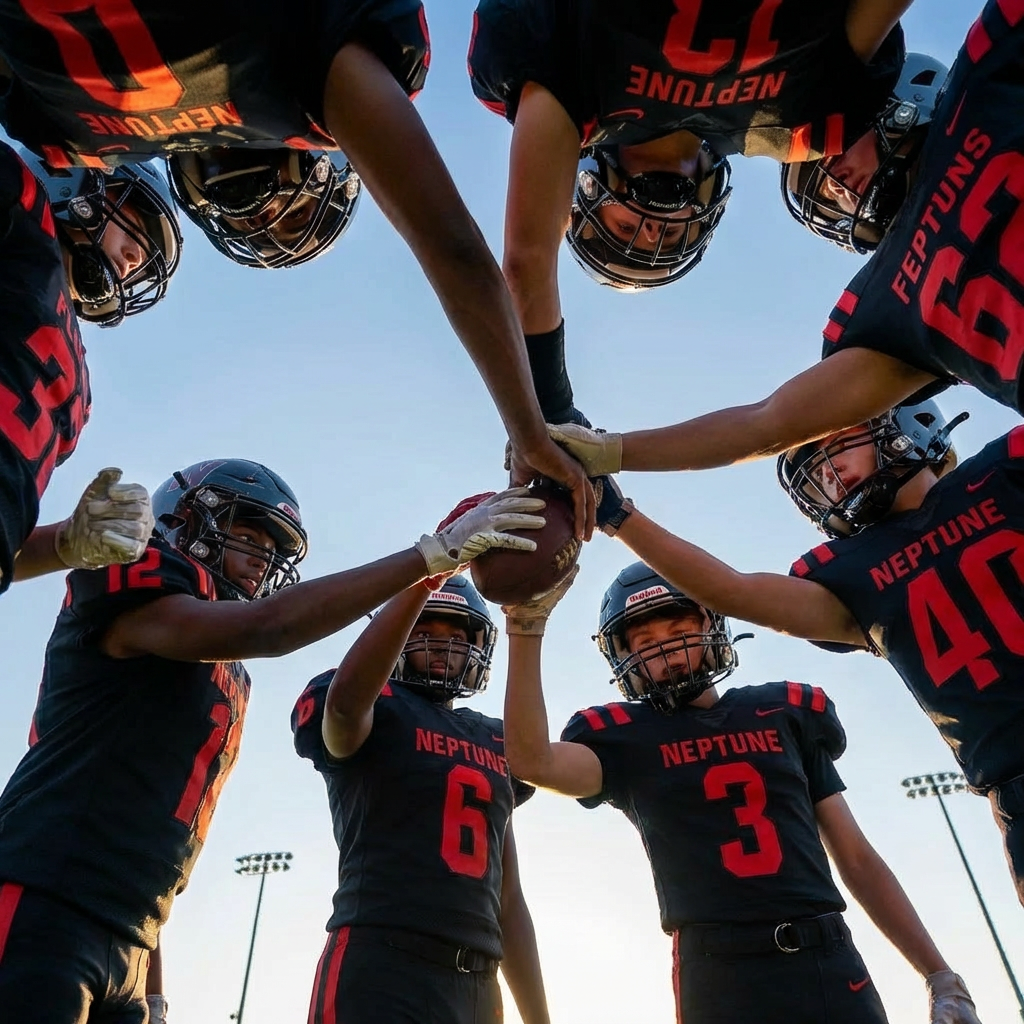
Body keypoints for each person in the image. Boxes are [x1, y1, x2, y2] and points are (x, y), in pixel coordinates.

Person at [0, 465, 546, 1022]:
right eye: (250, 534)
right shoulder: (143, 585)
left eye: (273, 546)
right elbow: (270, 628)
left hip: (129, 933)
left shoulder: (230, 668)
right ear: (183, 519)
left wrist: (152, 984)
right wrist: (428, 560)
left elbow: (146, 840)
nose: (263, 556)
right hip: (42, 895)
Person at [544, 0, 1023, 478]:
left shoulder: (986, 78)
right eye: (825, 191)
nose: (835, 183)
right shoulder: (887, 307)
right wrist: (614, 452)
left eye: (827, 159)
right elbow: (766, 423)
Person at [583, 400, 1024, 908]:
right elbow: (734, 591)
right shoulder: (850, 575)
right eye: (815, 467)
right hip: (1014, 782)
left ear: (904, 419)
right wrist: (619, 516)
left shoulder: (1003, 472)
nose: (830, 473)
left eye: (838, 445)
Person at [500, 560, 981, 1023]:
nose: (664, 652)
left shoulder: (784, 712)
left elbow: (855, 857)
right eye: (645, 641)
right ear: (622, 656)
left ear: (712, 628)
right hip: (719, 969)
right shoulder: (621, 738)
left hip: (826, 954)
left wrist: (940, 975)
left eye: (679, 632)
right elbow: (531, 761)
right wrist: (527, 626)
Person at [468, 0, 909, 425]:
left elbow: (528, 260)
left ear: (582, 188)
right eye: (671, 238)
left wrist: (552, 414)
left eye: (624, 228)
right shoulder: (806, 125)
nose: (652, 227)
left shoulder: (578, 91)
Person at [293, 573, 549, 1024]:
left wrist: (538, 1018)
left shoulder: (495, 739)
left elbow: (508, 898)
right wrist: (422, 577)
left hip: (478, 980)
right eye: (424, 632)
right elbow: (343, 709)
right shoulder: (373, 705)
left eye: (456, 634)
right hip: (382, 962)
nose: (441, 646)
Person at [0, 139, 180, 595]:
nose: (136, 261)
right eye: (138, 222)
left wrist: (62, 546)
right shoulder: (20, 203)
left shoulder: (81, 388)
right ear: (77, 178)